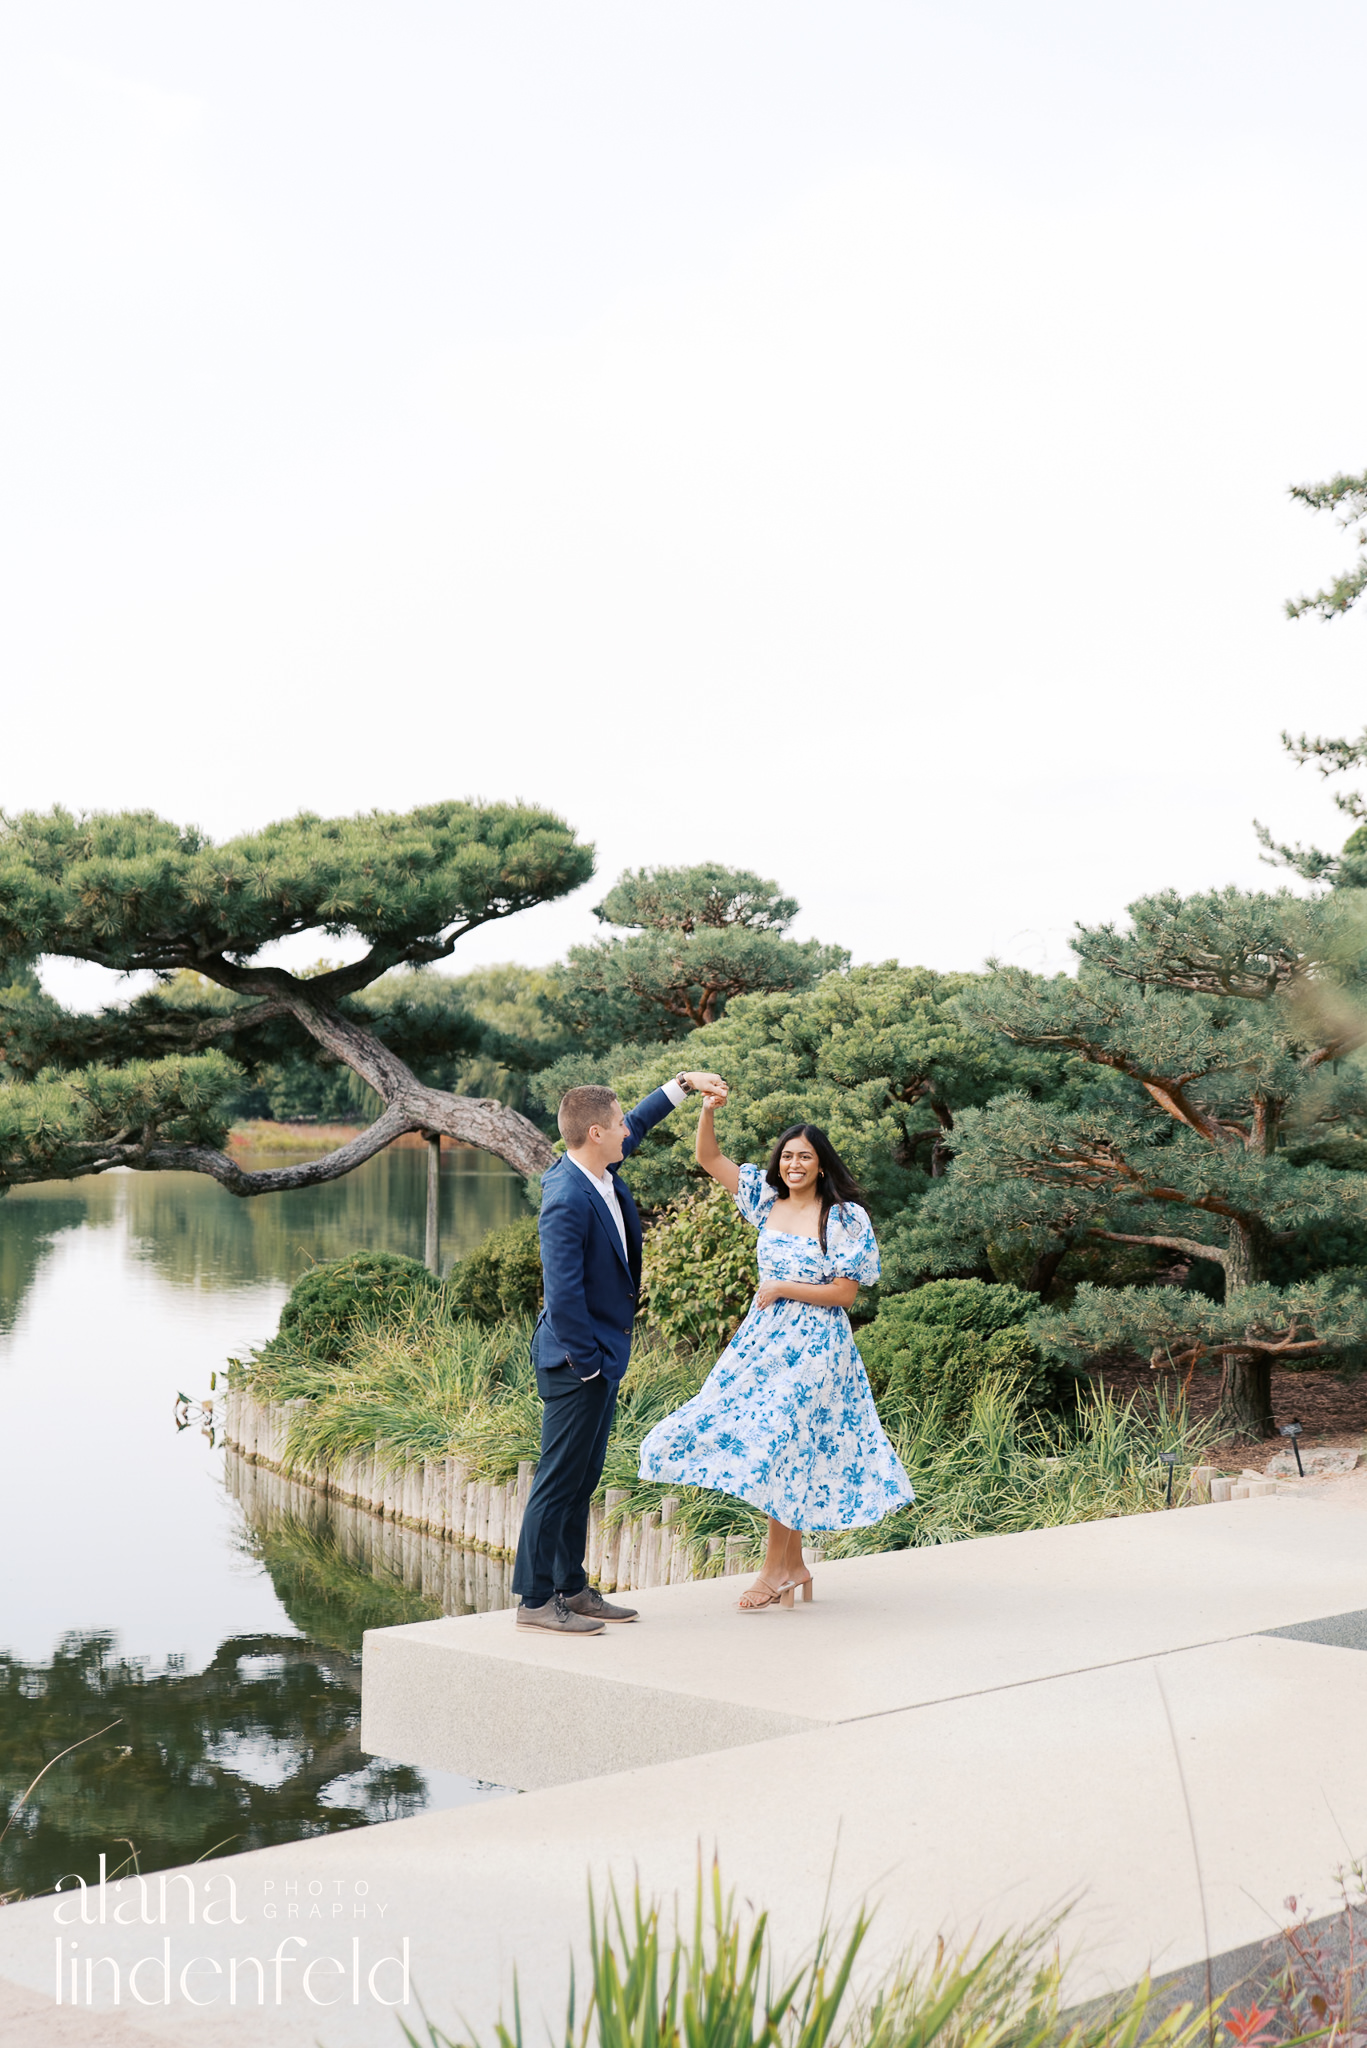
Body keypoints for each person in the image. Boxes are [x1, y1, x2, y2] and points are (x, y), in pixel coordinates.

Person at [638, 1095, 913, 1610]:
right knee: (777, 1442)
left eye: (805, 1156)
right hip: (764, 1342)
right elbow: (708, 1158)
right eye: (788, 1155)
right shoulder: (766, 1200)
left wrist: (785, 1286)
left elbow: (845, 1295)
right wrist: (708, 1110)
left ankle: (772, 1571)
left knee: (781, 1440)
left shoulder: (843, 1218)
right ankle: (793, 1566)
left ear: (822, 1163)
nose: (794, 1164)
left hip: (817, 1344)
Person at [512, 1068, 730, 1635]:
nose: (625, 1132)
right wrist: (589, 1366)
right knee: (556, 1482)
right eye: (615, 1126)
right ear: (593, 1135)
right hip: (575, 1363)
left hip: (600, 1358)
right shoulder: (565, 1197)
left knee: (581, 1481)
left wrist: (682, 1085)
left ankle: (572, 1588)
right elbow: (562, 1297)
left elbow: (638, 1120)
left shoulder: (599, 1167)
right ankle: (535, 1601)